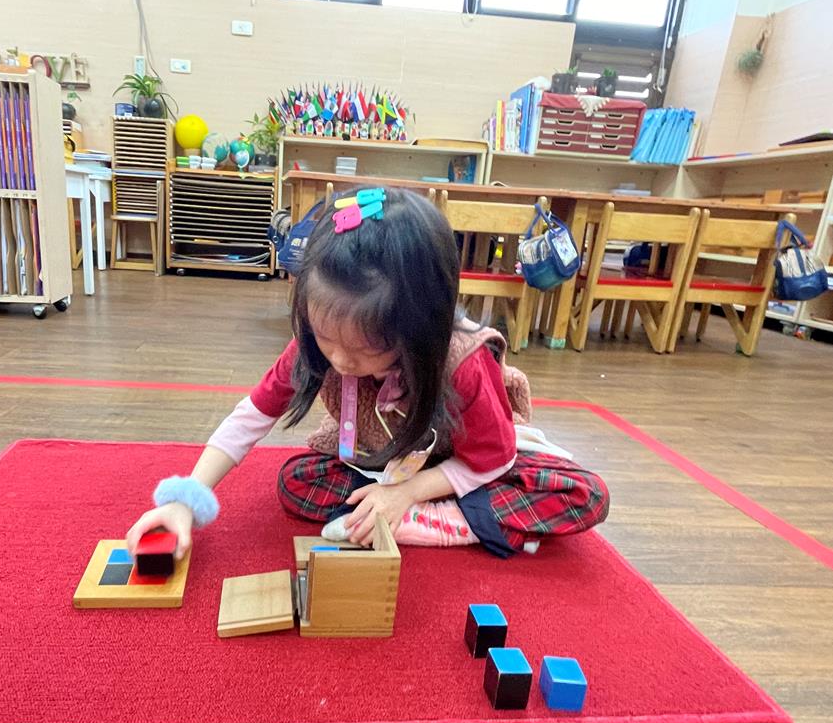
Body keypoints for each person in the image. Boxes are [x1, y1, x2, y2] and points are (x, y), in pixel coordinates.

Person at [127, 188, 608, 560]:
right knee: (297, 481)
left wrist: (407, 495)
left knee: (584, 495)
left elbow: (493, 461)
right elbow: (252, 416)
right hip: (382, 464)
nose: (339, 361)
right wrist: (186, 499)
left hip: (464, 470)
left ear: (420, 329)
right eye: (324, 337)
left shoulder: (462, 362)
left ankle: (431, 521)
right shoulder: (319, 341)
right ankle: (398, 514)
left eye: (365, 350)